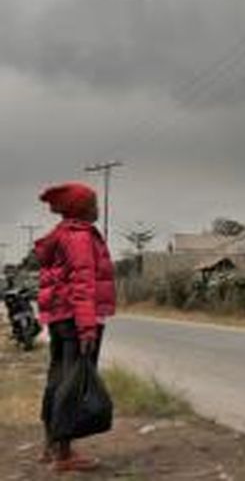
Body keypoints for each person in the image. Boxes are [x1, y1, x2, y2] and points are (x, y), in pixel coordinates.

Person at [34, 182, 116, 473]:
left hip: (60, 318)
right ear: (80, 209)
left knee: (58, 380)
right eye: (93, 204)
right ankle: (64, 455)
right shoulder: (79, 237)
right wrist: (87, 329)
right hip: (77, 319)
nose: (97, 209)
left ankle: (50, 446)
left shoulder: (61, 236)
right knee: (73, 385)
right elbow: (82, 286)